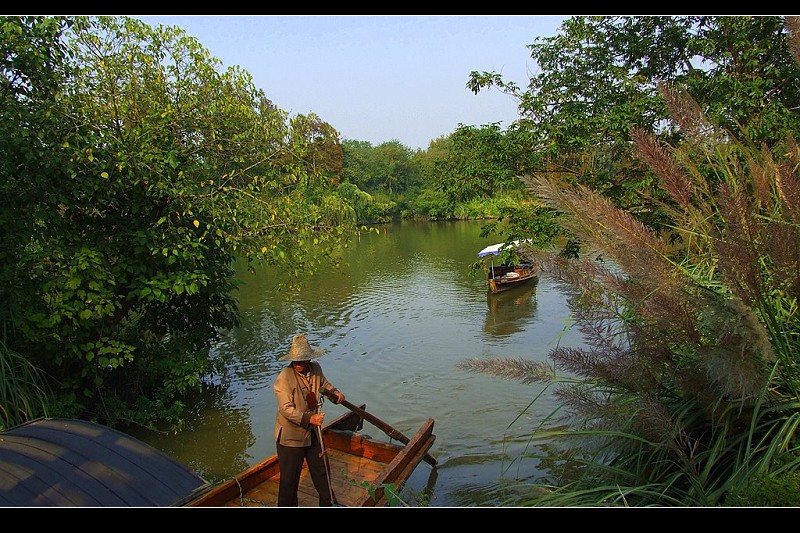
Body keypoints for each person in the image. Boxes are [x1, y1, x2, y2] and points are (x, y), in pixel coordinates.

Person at [273, 333, 345, 506]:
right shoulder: (284, 378)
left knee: (322, 472)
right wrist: (309, 418)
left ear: (308, 359)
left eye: (302, 360)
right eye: (295, 361)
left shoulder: (316, 369)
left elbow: (324, 385)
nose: (298, 364)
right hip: (291, 438)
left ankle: (329, 503)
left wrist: (335, 393)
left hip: (312, 433)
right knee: (289, 481)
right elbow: (286, 409)